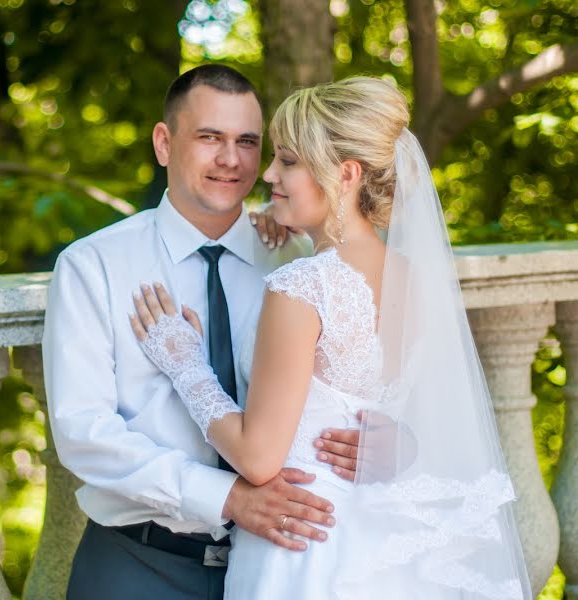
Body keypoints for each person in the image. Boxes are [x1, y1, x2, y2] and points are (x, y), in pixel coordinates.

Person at [130, 76, 532, 599]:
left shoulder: (304, 284)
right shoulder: (413, 276)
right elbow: (425, 417)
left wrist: (186, 366)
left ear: (344, 174)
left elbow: (258, 458)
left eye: (289, 162)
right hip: (387, 538)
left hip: (303, 544)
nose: (268, 174)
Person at [43, 65, 364, 600]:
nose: (231, 160)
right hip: (139, 562)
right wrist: (228, 497)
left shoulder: (299, 259)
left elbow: (360, 382)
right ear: (164, 143)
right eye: (209, 138)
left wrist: (379, 441)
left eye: (247, 142)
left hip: (288, 565)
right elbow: (84, 433)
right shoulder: (93, 265)